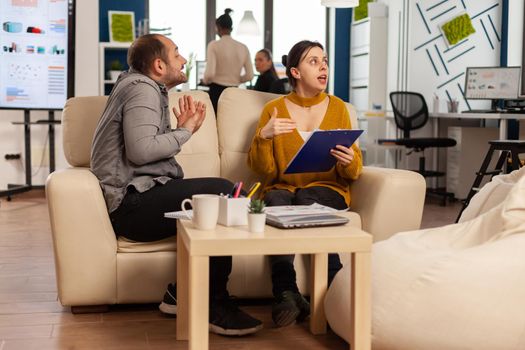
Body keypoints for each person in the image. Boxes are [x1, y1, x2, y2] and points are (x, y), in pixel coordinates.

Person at [90, 34, 262, 336]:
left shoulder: (139, 86)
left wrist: (182, 131)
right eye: (177, 53)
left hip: (136, 198)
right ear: (158, 65)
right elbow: (141, 150)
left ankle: (179, 295)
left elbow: (144, 152)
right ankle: (213, 304)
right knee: (225, 194)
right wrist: (185, 131)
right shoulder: (142, 89)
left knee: (224, 194)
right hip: (131, 206)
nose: (183, 59)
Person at [247, 40, 363, 327]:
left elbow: (354, 171)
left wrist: (348, 160)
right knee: (274, 202)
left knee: (309, 198)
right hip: (282, 189)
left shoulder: (339, 108)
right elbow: (264, 171)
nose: (323, 66)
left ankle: (336, 288)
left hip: (328, 189)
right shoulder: (274, 110)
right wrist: (264, 136)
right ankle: (286, 293)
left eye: (324, 60)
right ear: (295, 72)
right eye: (313, 61)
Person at [202, 8, 253, 113]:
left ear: (218, 27)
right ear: (232, 28)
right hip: (234, 90)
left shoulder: (214, 45)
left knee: (216, 124)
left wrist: (205, 81)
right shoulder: (243, 47)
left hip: (216, 91)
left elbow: (210, 74)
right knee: (230, 123)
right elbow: (250, 75)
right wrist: (235, 79)